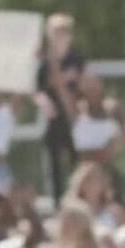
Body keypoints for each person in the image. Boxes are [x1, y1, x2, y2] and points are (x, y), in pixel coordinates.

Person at [34, 13, 86, 201]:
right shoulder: (44, 62)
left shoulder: (76, 58)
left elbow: (69, 80)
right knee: (53, 165)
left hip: (75, 119)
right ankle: (57, 202)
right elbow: (39, 89)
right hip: (54, 119)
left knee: (77, 163)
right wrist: (45, 103)